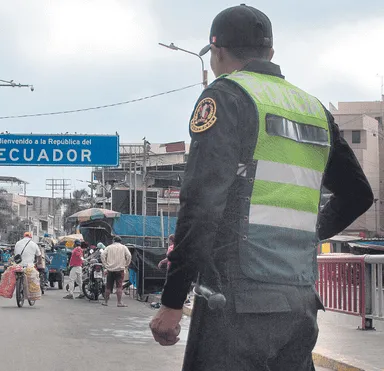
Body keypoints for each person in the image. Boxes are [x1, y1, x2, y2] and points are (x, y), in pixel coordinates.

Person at [148, 5, 374, 370]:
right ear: (271, 53)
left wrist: (173, 301)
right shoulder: (312, 108)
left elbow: (202, 205)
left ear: (217, 53)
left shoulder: (226, 95)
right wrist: (300, 235)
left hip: (236, 302)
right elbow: (358, 195)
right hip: (300, 302)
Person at [100, 236, 131, 307]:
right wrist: (126, 264)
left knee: (108, 287)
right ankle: (119, 302)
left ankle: (105, 302)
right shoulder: (124, 247)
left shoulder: (109, 247)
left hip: (110, 269)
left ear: (113, 241)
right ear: (120, 241)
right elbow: (129, 256)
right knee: (119, 286)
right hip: (120, 270)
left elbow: (102, 255)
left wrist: (106, 265)